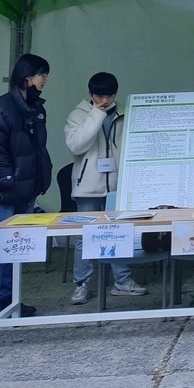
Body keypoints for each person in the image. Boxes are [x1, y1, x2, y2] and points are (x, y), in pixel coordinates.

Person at [0, 52, 51, 323]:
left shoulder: (35, 108)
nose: (44, 80)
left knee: (16, 249)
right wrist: (7, 182)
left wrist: (40, 180)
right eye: (42, 74)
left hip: (25, 189)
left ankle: (8, 299)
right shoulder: (2, 107)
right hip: (5, 192)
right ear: (27, 77)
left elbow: (36, 149)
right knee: (0, 248)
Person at [65, 72, 147, 304]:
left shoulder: (125, 113)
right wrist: (96, 115)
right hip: (88, 186)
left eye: (109, 96)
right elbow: (76, 145)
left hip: (117, 185)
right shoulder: (78, 115)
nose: (105, 101)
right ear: (90, 95)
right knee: (84, 237)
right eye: (99, 96)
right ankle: (81, 284)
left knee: (118, 233)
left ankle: (122, 280)